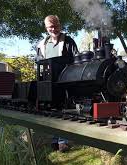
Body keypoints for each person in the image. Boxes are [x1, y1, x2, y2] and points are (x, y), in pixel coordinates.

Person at [37, 15, 79, 152]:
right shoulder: (42, 44)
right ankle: (55, 140)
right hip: (48, 82)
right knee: (52, 111)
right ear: (46, 28)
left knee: (63, 110)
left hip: (65, 80)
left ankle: (62, 141)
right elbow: (38, 62)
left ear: (60, 25)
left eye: (56, 26)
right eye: (50, 27)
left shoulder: (68, 41)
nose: (53, 29)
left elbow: (76, 59)